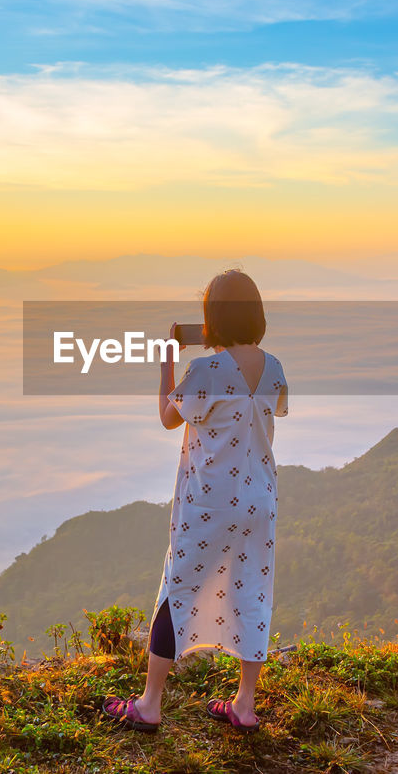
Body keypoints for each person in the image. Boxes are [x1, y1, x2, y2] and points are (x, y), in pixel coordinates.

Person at [103, 269, 288, 734]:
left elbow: (169, 416)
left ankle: (149, 704)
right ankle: (244, 706)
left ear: (212, 319)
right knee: (253, 592)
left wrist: (167, 360)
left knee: (176, 592)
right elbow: (271, 410)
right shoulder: (276, 368)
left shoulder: (205, 369)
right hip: (260, 500)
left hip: (210, 504)